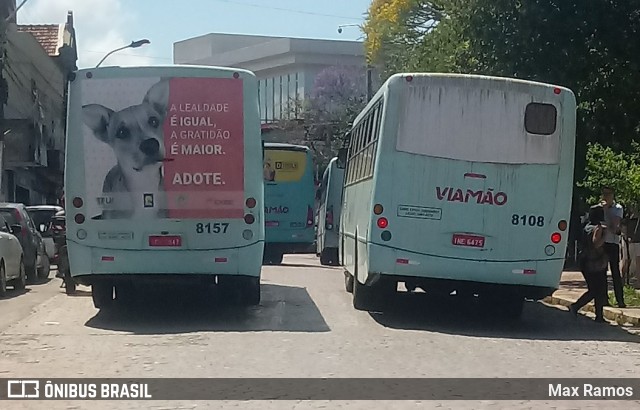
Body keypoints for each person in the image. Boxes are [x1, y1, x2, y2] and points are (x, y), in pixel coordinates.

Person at [570, 205, 609, 322]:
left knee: (596, 290)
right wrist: (605, 236)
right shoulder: (597, 228)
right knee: (597, 290)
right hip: (595, 263)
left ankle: (599, 316)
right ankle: (576, 306)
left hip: (586, 261)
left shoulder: (586, 226)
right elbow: (596, 243)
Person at [601, 186, 626, 308]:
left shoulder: (617, 208)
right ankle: (603, 299)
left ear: (613, 195)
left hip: (613, 243)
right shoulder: (600, 207)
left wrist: (606, 211)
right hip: (602, 242)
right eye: (604, 194)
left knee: (615, 271)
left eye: (608, 194)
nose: (606, 196)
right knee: (602, 271)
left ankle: (620, 300)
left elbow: (614, 227)